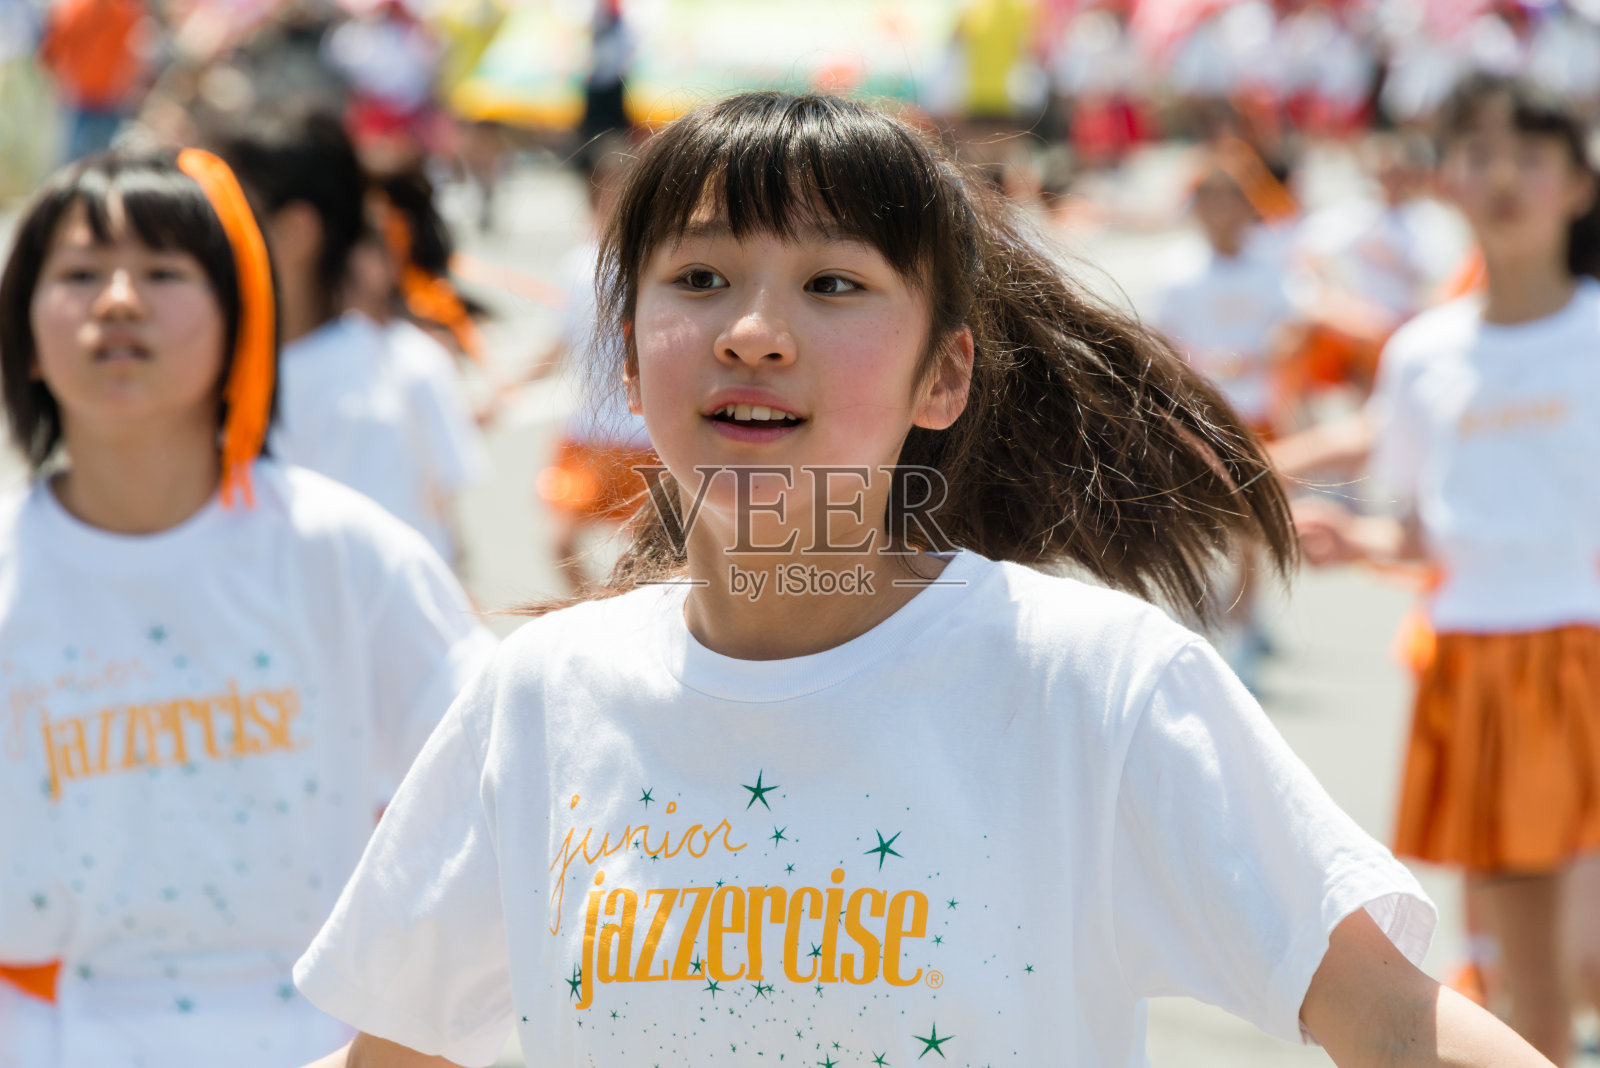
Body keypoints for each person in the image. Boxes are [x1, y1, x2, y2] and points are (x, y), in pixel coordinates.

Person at [292, 92, 1550, 1068]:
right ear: (628, 359)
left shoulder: (1093, 684)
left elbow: (1389, 1022)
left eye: (833, 284)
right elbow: (396, 1042)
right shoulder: (537, 698)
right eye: (699, 279)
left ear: (943, 379)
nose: (753, 330)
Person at [0, 148, 495, 1065]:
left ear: (242, 316)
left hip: (328, 1039)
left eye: (162, 272)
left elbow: (502, 796)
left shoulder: (347, 554)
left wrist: (406, 1038)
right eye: (76, 274)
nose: (117, 301)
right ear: (25, 330)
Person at [1294, 73, 1600, 1064]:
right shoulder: (1422, 355)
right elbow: (1422, 530)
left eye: (1530, 155)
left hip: (1586, 648)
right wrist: (1352, 543)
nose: (1502, 176)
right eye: (1476, 153)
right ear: (1446, 181)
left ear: (1577, 186)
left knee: (1580, 960)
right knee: (1530, 977)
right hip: (1479, 668)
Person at [213, 107, 463, 563]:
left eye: (223, 217)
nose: (201, 237)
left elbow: (420, 539)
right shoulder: (208, 368)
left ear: (294, 231)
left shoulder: (380, 384)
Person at [524, 143, 653, 594]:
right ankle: (596, 613)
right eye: (608, 193)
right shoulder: (578, 263)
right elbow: (557, 343)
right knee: (559, 540)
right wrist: (501, 391)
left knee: (649, 556)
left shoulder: (656, 265)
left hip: (646, 437)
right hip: (586, 434)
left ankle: (633, 627)